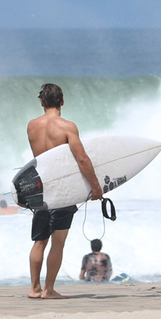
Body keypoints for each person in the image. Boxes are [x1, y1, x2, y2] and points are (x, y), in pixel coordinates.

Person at [27, 83, 103, 299]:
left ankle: (34, 289)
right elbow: (81, 158)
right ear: (62, 101)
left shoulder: (32, 126)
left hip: (40, 188)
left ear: (42, 102)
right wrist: (96, 187)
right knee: (58, 241)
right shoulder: (67, 127)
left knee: (39, 241)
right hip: (62, 190)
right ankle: (49, 290)